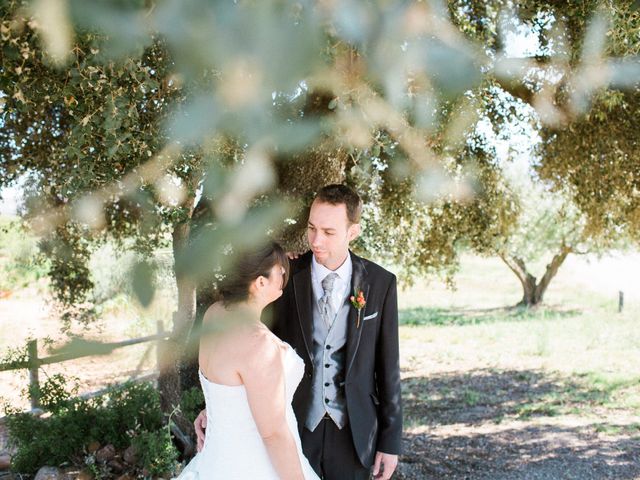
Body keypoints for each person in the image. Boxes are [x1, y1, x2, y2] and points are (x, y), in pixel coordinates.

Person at [195, 184, 402, 479]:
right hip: (294, 427)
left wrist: (390, 442)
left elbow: (388, 367)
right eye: (312, 228)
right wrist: (217, 407)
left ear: (352, 232)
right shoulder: (284, 278)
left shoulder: (381, 283)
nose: (316, 240)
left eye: (329, 232)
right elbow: (241, 348)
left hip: (355, 434)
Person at [177, 242, 319, 480]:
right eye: (280, 271)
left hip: (216, 462)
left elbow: (226, 382)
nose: (285, 274)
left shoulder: (215, 313)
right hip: (258, 466)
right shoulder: (259, 344)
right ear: (260, 282)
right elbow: (273, 434)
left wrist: (214, 409)